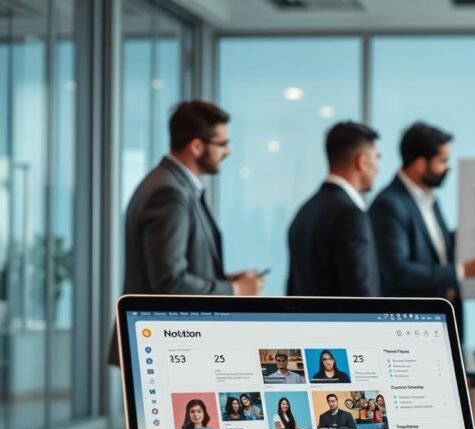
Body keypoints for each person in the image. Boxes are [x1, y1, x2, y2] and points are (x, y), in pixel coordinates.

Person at [107, 100, 264, 366]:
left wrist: (222, 278)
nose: (228, 151)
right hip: (164, 348)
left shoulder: (174, 186)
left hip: (168, 345)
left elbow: (170, 270)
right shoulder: (168, 193)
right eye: (222, 144)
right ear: (197, 146)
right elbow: (170, 283)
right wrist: (235, 290)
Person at [369, 122, 475, 333]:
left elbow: (431, 252)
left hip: (446, 319)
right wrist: (463, 270)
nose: (447, 168)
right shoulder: (389, 204)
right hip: (413, 327)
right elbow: (399, 271)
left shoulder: (430, 199)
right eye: (442, 161)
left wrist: (453, 240)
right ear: (420, 164)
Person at [288, 122, 382, 297]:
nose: (379, 168)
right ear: (361, 161)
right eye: (377, 157)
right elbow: (362, 296)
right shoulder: (350, 215)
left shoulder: (304, 211)